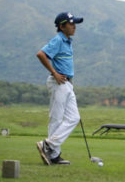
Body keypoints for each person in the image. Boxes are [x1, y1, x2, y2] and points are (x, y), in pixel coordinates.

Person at [35, 12, 84, 165]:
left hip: (67, 83)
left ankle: (49, 147)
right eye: (71, 24)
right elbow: (41, 54)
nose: (74, 26)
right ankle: (52, 153)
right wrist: (54, 73)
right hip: (59, 82)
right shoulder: (58, 40)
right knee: (56, 118)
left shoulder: (67, 41)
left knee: (74, 118)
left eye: (74, 23)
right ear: (62, 26)